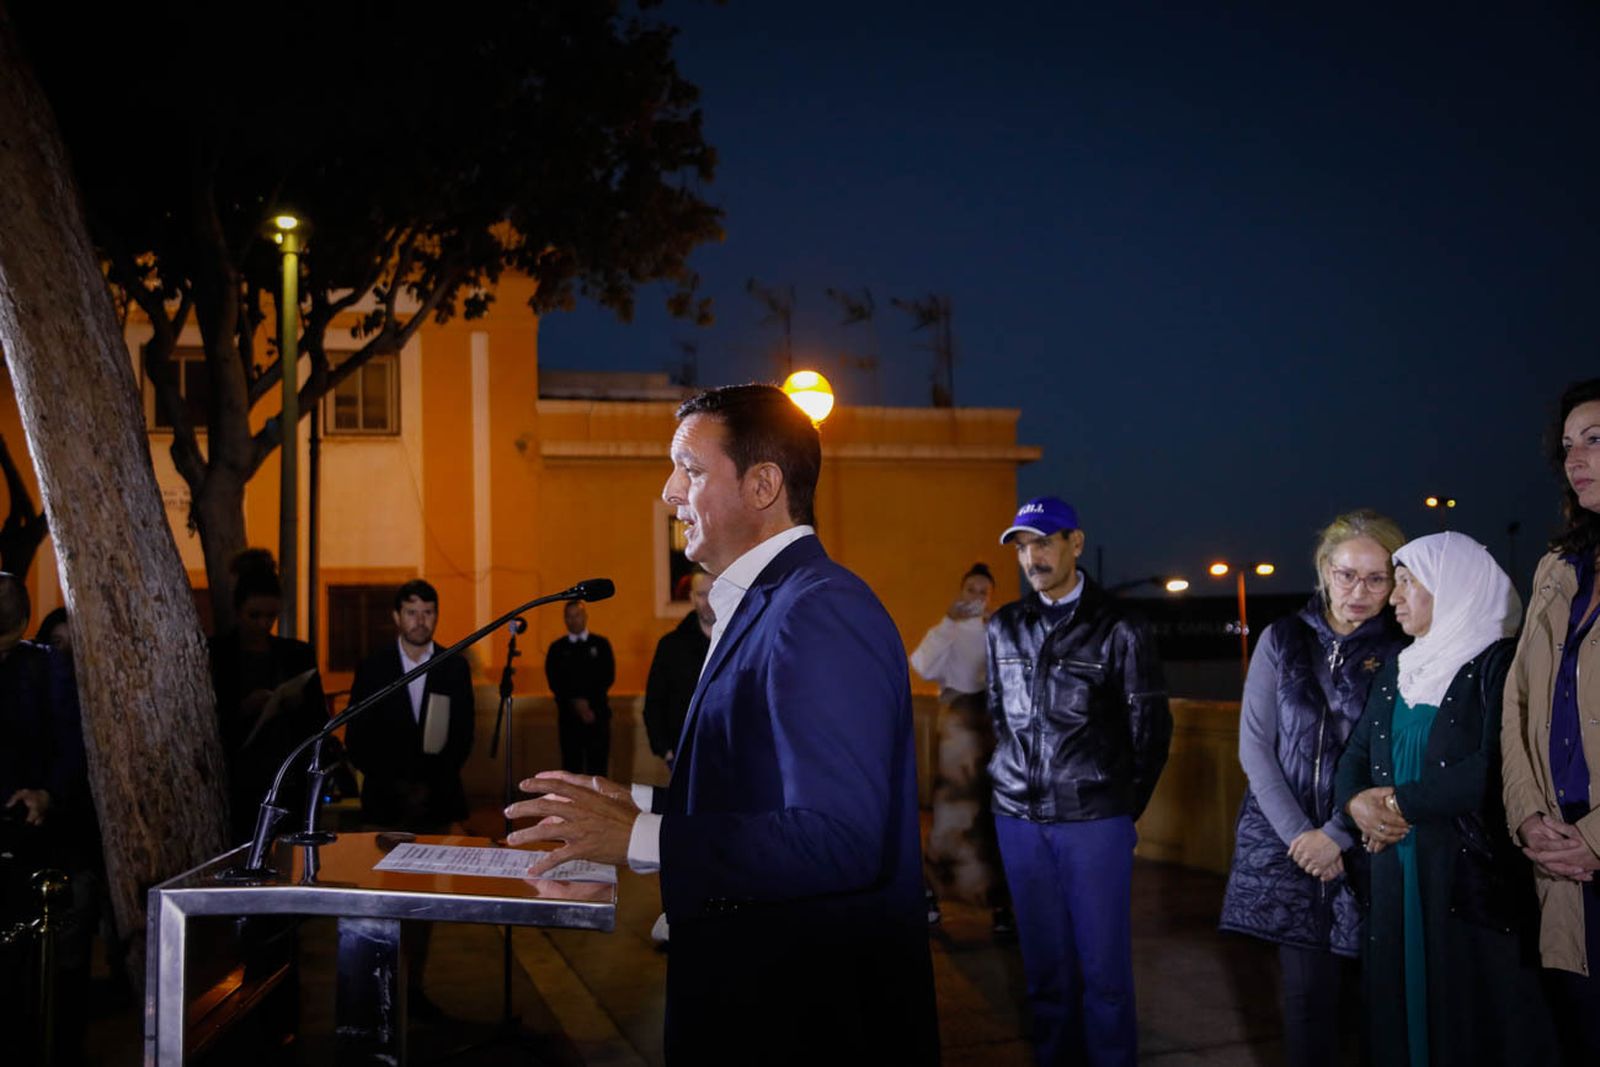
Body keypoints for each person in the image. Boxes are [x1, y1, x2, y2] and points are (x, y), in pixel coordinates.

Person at [506, 383, 937, 1065]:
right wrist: (637, 805)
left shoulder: (819, 610)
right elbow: (760, 796)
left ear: (763, 484)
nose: (670, 491)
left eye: (692, 468)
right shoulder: (766, 602)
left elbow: (840, 838)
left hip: (800, 1022)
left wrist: (645, 836)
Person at [1334, 532, 1556, 1067]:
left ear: (1453, 589)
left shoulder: (1499, 666)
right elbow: (1355, 757)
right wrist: (1354, 804)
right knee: (1398, 1004)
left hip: (1459, 874)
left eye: (1410, 583)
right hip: (1396, 870)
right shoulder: (1402, 668)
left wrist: (1398, 806)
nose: (1395, 597)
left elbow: (1496, 764)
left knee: (1468, 1010)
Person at [987, 495, 1172, 1067]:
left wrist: (1116, 806)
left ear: (1075, 543)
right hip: (1017, 819)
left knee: (1103, 975)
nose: (1032, 556)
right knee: (1044, 973)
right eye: (1022, 545)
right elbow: (997, 715)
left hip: (1094, 821)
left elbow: (1151, 728)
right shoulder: (1003, 627)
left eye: (1044, 542)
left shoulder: (1121, 627)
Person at [1218, 509, 1407, 1067]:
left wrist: (1338, 836)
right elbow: (1255, 746)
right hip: (1290, 851)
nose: (1360, 591)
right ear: (1325, 569)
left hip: (1369, 847)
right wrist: (1304, 837)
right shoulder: (1282, 638)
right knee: (1304, 1003)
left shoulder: (1404, 649)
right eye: (1348, 574)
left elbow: (1396, 757)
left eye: (1377, 579)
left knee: (1374, 1004)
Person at [1502, 376, 1600, 1064]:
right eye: (1568, 445)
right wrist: (1528, 815)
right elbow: (1518, 706)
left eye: (1596, 440)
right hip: (1560, 859)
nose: (1575, 459)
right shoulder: (1559, 570)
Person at [345, 578, 476, 1021]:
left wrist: (427, 786)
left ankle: (413, 989)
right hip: (384, 804)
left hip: (433, 805)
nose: (421, 621)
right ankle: (375, 994)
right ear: (397, 617)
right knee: (380, 901)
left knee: (422, 905)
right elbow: (358, 737)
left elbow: (462, 738)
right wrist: (397, 783)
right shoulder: (375, 666)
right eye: (413, 612)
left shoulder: (453, 667)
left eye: (428, 612)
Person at [912, 561, 1014, 940]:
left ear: (992, 596)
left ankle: (1000, 903)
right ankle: (933, 893)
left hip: (993, 729)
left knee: (994, 816)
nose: (976, 597)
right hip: (957, 729)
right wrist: (948, 622)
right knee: (952, 814)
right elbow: (921, 664)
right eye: (971, 590)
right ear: (961, 592)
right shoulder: (951, 628)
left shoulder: (998, 629)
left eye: (983, 592)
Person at [208, 554, 326, 843]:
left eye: (271, 616)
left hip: (286, 779)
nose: (263, 624)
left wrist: (296, 705)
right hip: (236, 780)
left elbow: (318, 719)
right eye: (255, 615)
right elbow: (204, 720)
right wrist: (242, 708)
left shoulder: (295, 654)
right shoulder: (218, 655)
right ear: (238, 612)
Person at [643, 569, 714, 772]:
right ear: (691, 597)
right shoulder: (671, 646)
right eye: (701, 594)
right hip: (683, 755)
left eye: (713, 592)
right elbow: (654, 702)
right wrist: (665, 751)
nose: (709, 601)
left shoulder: (739, 641)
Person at [545, 599, 616, 776]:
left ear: (585, 617)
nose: (573, 620)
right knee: (571, 767)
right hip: (569, 718)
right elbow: (555, 681)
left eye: (577, 615)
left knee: (598, 768)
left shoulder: (601, 645)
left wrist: (588, 705)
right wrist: (576, 702)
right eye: (568, 617)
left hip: (597, 715)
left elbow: (607, 676)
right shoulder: (557, 649)